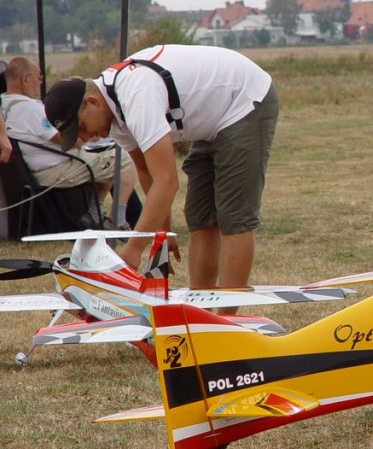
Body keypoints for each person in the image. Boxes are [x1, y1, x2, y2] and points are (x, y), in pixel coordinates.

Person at [43, 45, 278, 297]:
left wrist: (134, 248)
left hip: (243, 98)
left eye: (81, 127)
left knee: (233, 217)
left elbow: (167, 181)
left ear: (92, 102)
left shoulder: (135, 96)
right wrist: (162, 232)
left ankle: (227, 315)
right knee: (200, 216)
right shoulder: (113, 116)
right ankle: (202, 306)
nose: (85, 137)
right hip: (211, 117)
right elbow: (147, 171)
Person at [1, 57, 137, 227]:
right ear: (26, 79)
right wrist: (93, 133)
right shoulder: (29, 108)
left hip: (29, 172)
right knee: (122, 160)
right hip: (55, 170)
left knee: (105, 160)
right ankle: (117, 220)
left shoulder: (4, 105)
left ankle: (94, 215)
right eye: (38, 77)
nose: (39, 83)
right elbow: (66, 139)